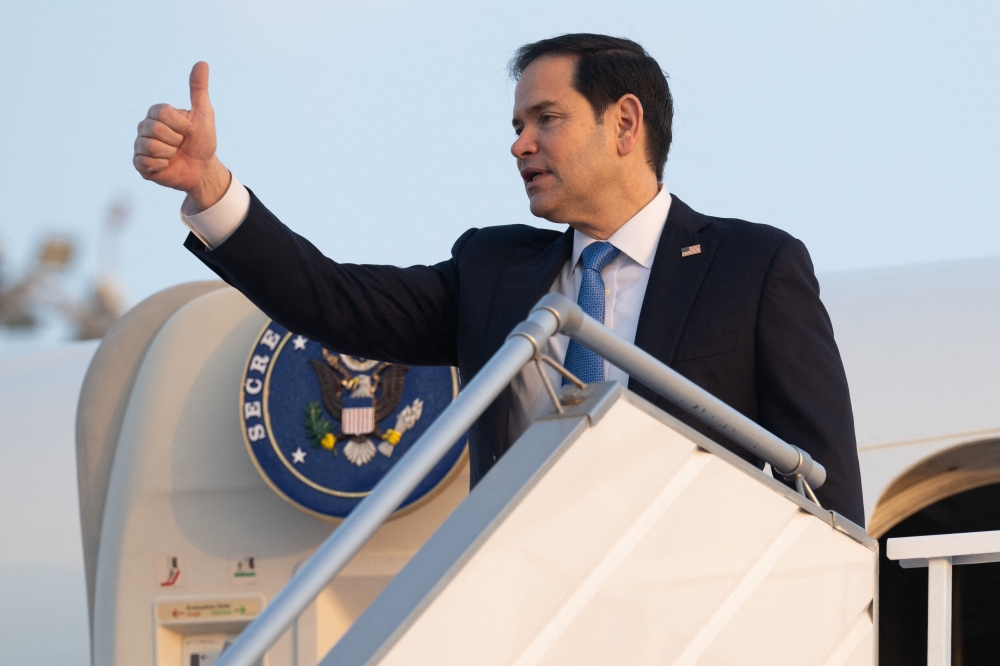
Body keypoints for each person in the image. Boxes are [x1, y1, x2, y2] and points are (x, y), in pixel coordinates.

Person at [133, 34, 865, 524]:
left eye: (546, 118)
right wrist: (211, 189)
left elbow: (826, 486)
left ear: (625, 123)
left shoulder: (755, 267)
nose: (519, 144)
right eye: (517, 124)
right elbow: (334, 301)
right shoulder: (494, 272)